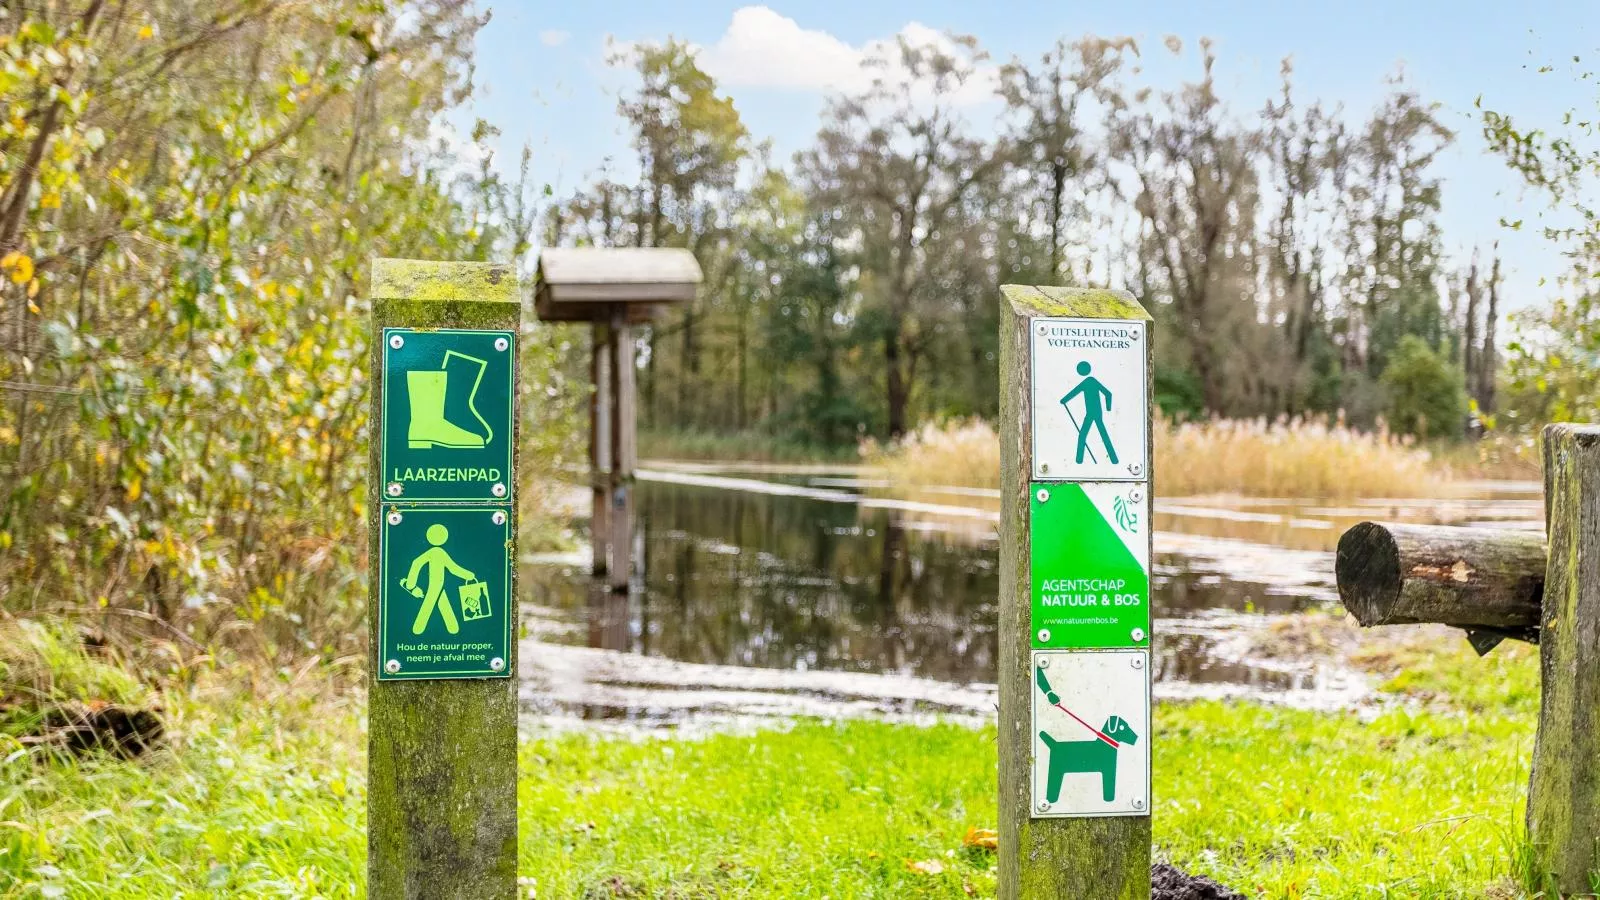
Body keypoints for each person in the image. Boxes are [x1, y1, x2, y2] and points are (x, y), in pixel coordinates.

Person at [400, 524, 474, 635]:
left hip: (439, 584)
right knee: (429, 603)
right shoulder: (438, 552)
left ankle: (452, 628)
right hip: (435, 584)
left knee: (441, 602)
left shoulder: (436, 552)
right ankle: (418, 629)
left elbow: (416, 563)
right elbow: (453, 568)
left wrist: (410, 584)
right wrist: (469, 575)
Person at [1060, 361, 1118, 465]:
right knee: (1099, 435)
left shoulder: (1089, 381)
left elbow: (1108, 394)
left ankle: (1079, 460)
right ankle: (1113, 460)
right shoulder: (1089, 381)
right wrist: (1064, 400)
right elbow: (1074, 392)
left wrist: (1108, 409)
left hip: (1094, 413)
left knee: (1084, 435)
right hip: (1092, 413)